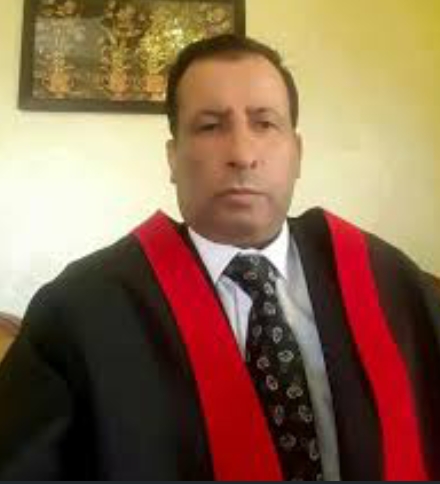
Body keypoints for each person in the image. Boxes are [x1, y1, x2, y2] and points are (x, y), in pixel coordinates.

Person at [0, 34, 439, 481]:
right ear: (173, 158)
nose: (242, 155)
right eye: (210, 126)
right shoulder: (80, 312)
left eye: (264, 123)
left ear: (297, 154)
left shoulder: (392, 286)